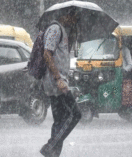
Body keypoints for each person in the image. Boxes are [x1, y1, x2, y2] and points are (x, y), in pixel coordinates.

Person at [40, 9, 82, 157]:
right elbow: (47, 53)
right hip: (56, 82)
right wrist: (58, 79)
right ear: (65, 15)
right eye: (74, 17)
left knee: (60, 121)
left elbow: (61, 54)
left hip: (59, 81)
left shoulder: (63, 31)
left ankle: (53, 153)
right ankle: (50, 146)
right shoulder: (55, 29)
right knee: (75, 114)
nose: (75, 20)